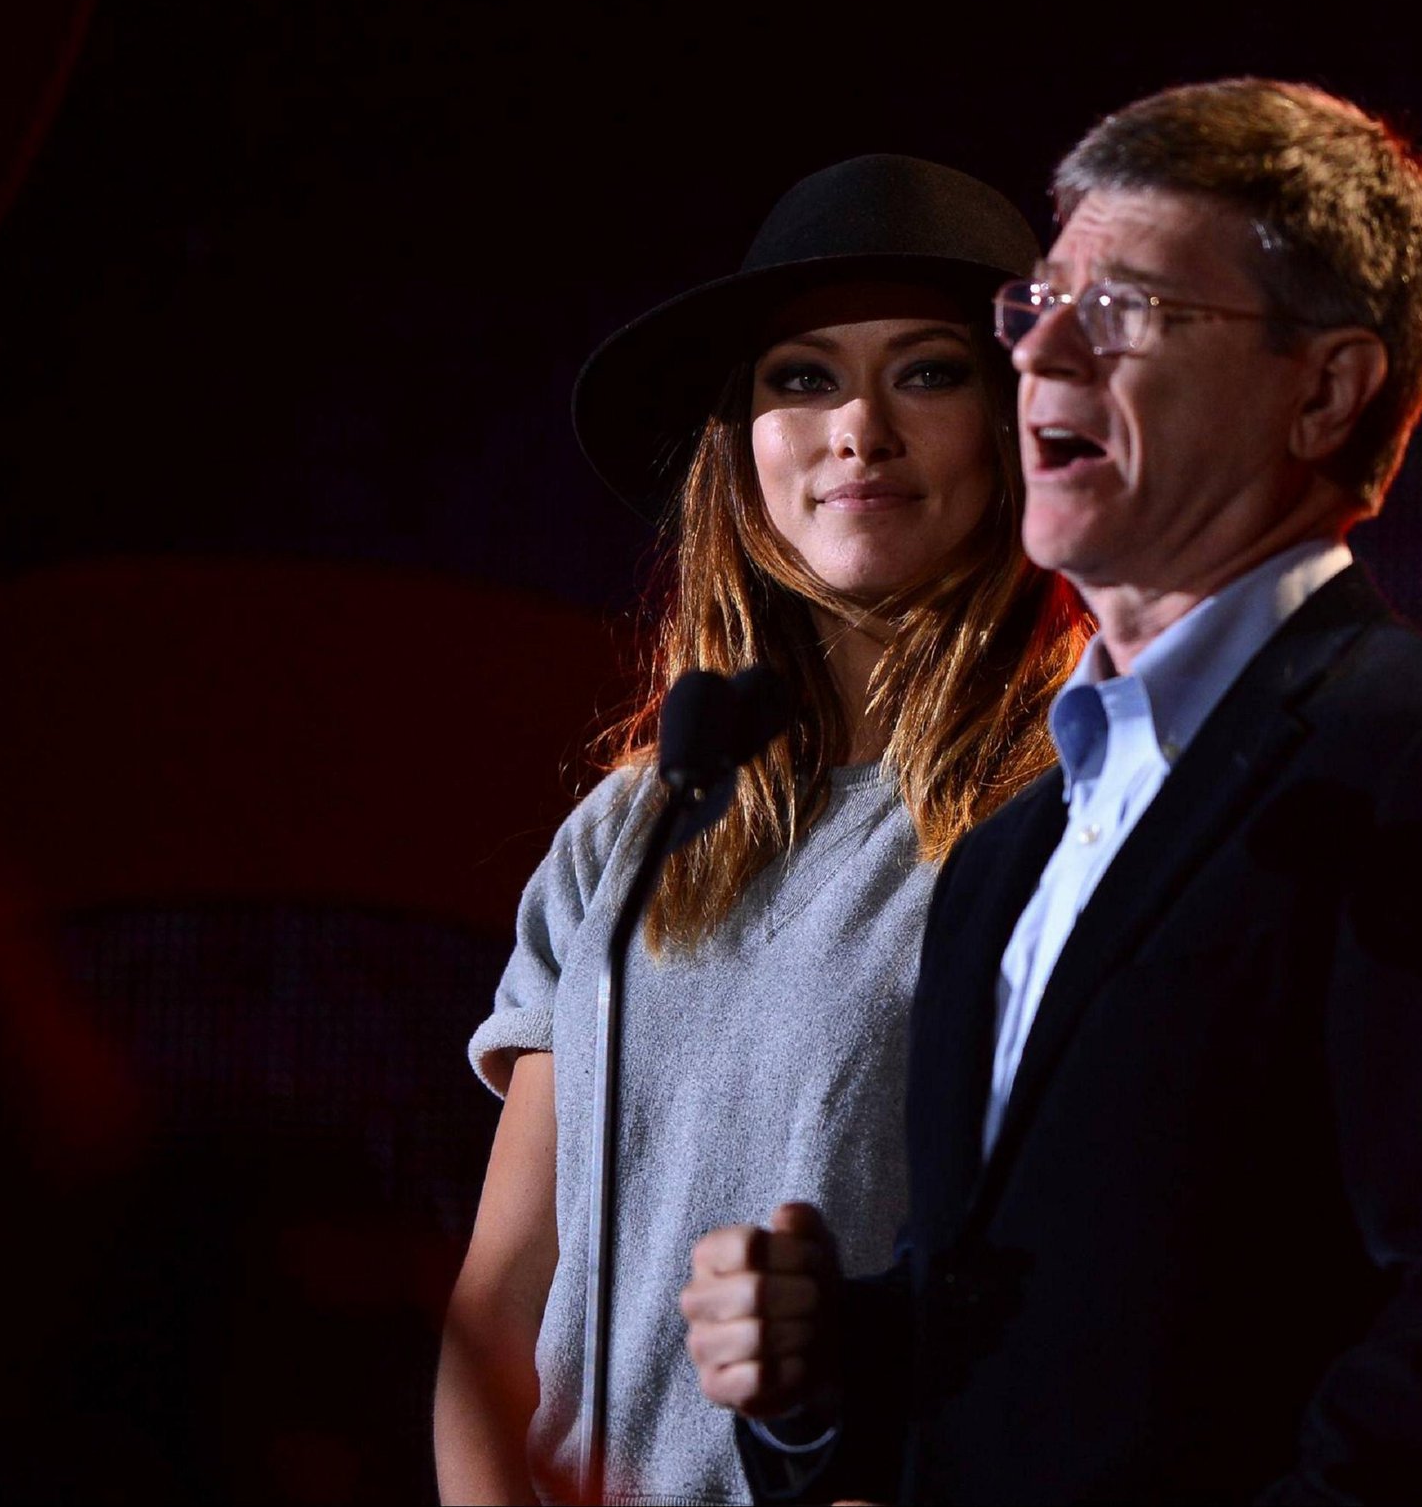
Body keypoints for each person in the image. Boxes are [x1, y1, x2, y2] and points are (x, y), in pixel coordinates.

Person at [684, 80, 1422, 1502]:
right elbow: (1044, 1345)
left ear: (1323, 389)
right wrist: (824, 1363)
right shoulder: (1014, 849)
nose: (1043, 355)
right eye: (1037, 307)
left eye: (1127, 308)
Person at [434, 155, 1087, 1504]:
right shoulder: (631, 827)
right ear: (740, 441)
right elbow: (498, 1307)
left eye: (926, 371)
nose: (857, 426)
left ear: (1026, 421)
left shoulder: (1079, 811)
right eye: (800, 377)